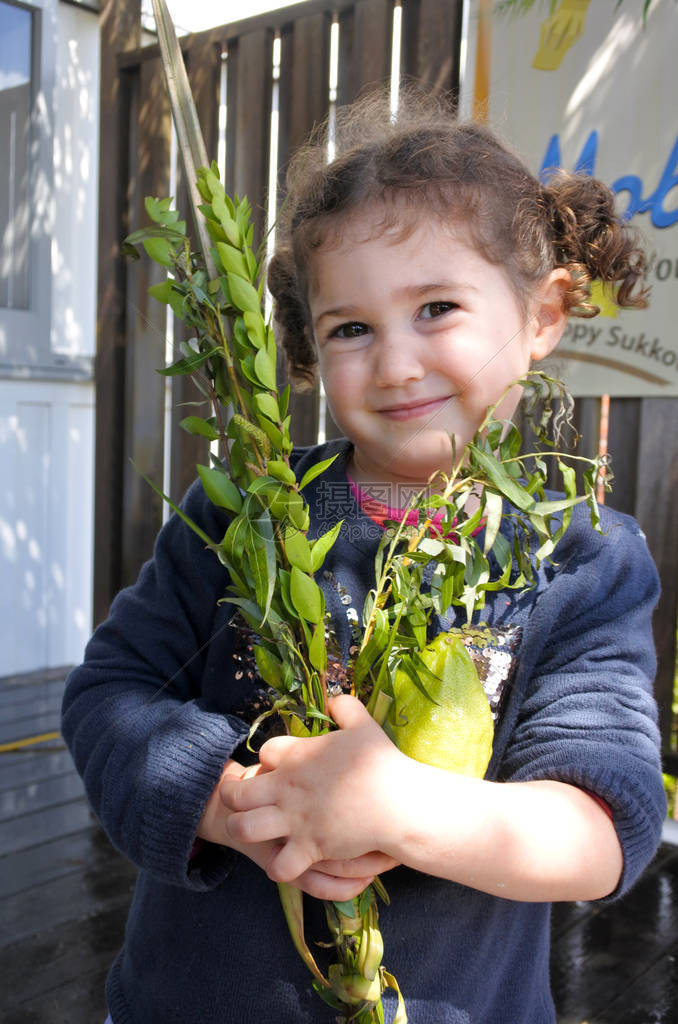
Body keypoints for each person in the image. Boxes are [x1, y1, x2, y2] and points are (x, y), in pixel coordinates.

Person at [62, 91, 666, 1024]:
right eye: (351, 328)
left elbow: (600, 829)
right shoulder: (249, 517)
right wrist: (229, 803)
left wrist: (396, 806)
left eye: (436, 308)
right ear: (309, 344)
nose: (394, 364)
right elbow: (110, 695)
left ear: (542, 315)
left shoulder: (580, 557)